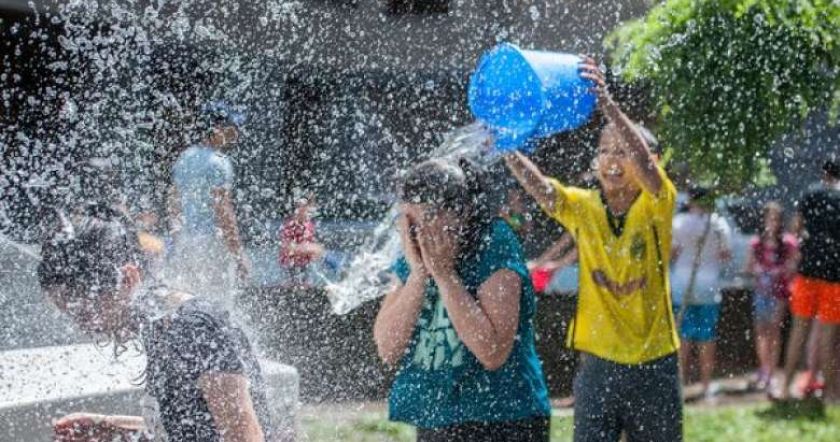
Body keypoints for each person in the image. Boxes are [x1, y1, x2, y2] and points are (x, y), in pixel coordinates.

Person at [505, 56, 682, 441]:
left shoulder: (657, 203)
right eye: (604, 151)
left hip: (654, 362)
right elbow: (544, 191)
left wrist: (608, 105)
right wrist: (507, 147)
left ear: (649, 161)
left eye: (623, 151)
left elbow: (648, 169)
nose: (612, 161)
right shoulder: (585, 206)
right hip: (597, 363)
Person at [37, 204, 272, 442]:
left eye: (86, 312)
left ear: (127, 279)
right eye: (71, 315)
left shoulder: (196, 329)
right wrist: (112, 428)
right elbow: (190, 428)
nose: (84, 326)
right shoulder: (161, 326)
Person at [373, 159, 551, 442]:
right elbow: (388, 348)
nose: (415, 233)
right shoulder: (413, 252)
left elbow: (492, 352)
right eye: (408, 222)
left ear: (461, 213)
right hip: (438, 415)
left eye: (424, 221)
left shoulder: (494, 242)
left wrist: (445, 276)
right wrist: (419, 275)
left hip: (504, 417)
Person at [166, 101, 250, 302]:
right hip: (211, 244)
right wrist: (239, 255)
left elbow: (173, 201)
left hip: (186, 243)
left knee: (187, 301)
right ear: (217, 129)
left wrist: (177, 237)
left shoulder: (185, 158)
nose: (234, 132)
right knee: (217, 304)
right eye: (230, 127)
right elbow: (223, 210)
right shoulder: (219, 163)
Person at [778, 157, 840, 402]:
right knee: (828, 337)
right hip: (835, 276)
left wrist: (809, 241)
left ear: (824, 174)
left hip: (807, 273)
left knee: (798, 331)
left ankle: (786, 389)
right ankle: (831, 394)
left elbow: (795, 229)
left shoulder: (811, 194)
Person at [670, 186, 732, 400]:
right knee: (707, 336)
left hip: (682, 284)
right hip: (709, 285)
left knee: (683, 335)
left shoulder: (679, 223)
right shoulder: (718, 223)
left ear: (690, 200)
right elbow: (725, 254)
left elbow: (672, 253)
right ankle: (706, 385)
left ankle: (678, 384)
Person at [744, 202, 798, 391]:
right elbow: (748, 267)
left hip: (779, 294)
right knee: (760, 332)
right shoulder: (756, 243)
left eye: (775, 219)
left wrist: (780, 271)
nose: (772, 222)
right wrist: (758, 270)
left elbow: (794, 267)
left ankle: (772, 373)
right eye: (769, 218)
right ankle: (764, 369)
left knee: (774, 332)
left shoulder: (788, 243)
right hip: (761, 293)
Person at [278, 194, 324, 289]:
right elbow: (287, 247)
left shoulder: (309, 225)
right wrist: (308, 249)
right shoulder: (291, 225)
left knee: (322, 255)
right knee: (292, 284)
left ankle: (340, 271)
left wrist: (313, 252)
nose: (308, 213)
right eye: (301, 208)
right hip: (291, 265)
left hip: (304, 264)